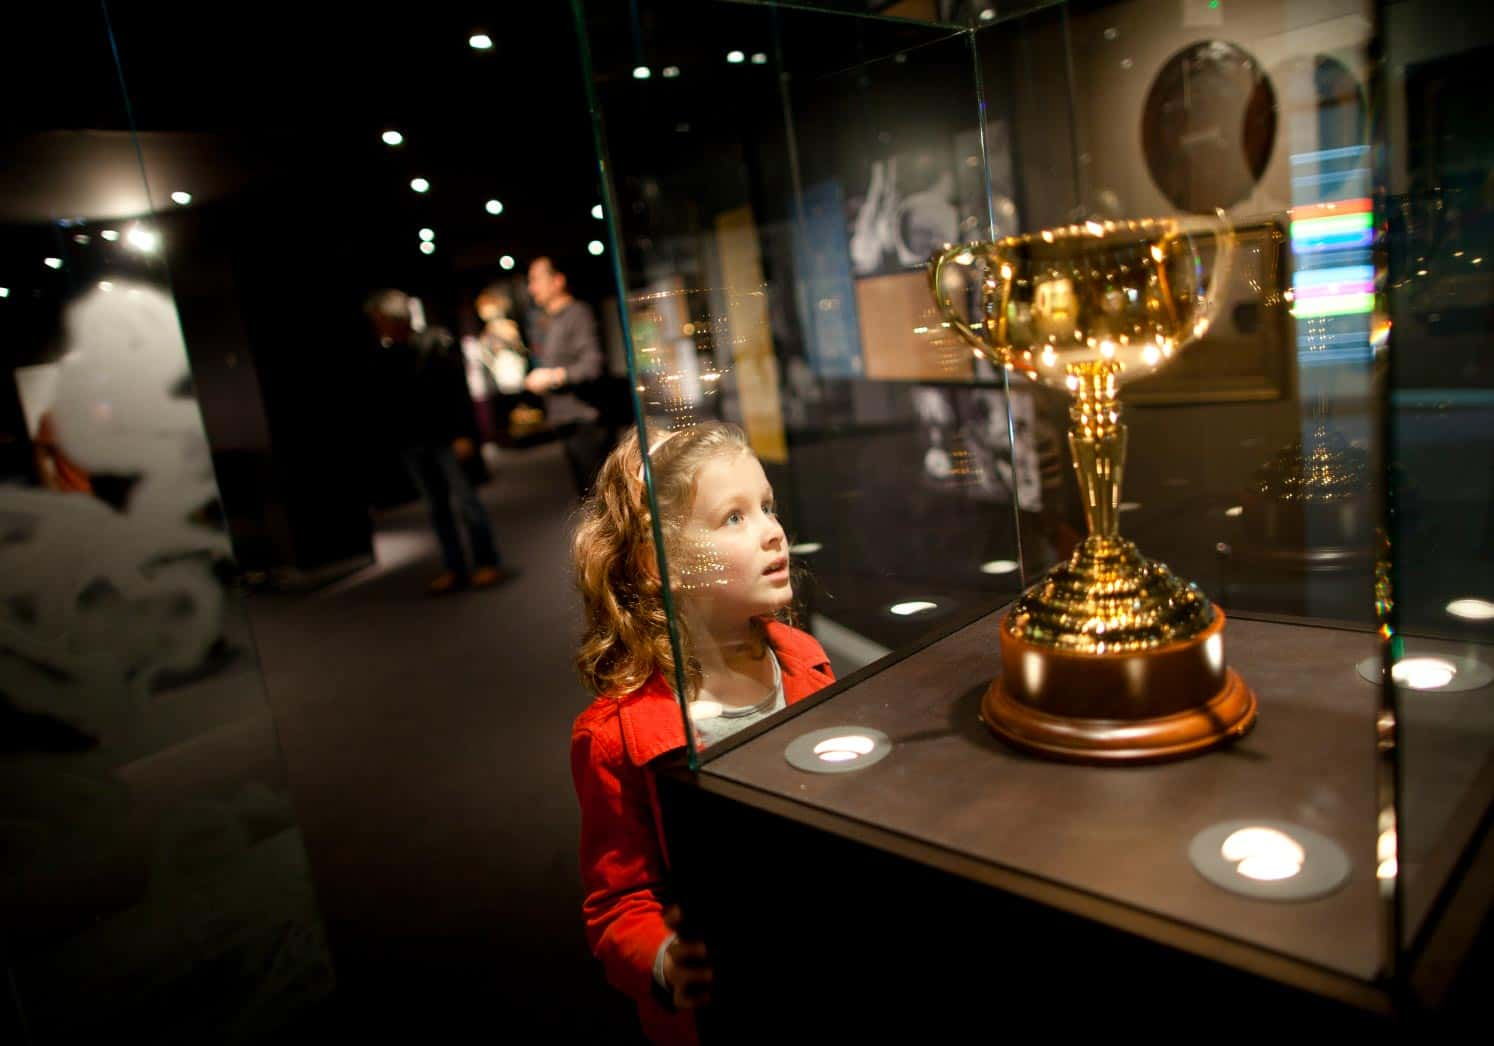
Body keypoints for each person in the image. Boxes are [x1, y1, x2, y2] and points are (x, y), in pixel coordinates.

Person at [569, 422, 835, 1045]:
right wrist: (663, 958)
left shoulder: (802, 658)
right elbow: (618, 900)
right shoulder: (616, 735)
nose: (773, 531)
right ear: (658, 563)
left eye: (767, 506)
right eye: (733, 518)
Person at [365, 289, 509, 595]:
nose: (379, 326)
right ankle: (454, 566)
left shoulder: (433, 344)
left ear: (395, 318)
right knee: (436, 508)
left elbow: (456, 393)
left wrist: (463, 434)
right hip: (414, 443)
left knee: (466, 501)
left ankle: (486, 561)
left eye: (381, 319)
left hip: (446, 438)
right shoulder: (387, 355)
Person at [525, 255, 610, 495]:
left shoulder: (577, 313)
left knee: (601, 498)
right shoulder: (546, 320)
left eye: (536, 280)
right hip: (564, 420)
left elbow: (592, 365)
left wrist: (551, 377)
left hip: (585, 420)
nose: (532, 288)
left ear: (558, 280)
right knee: (586, 497)